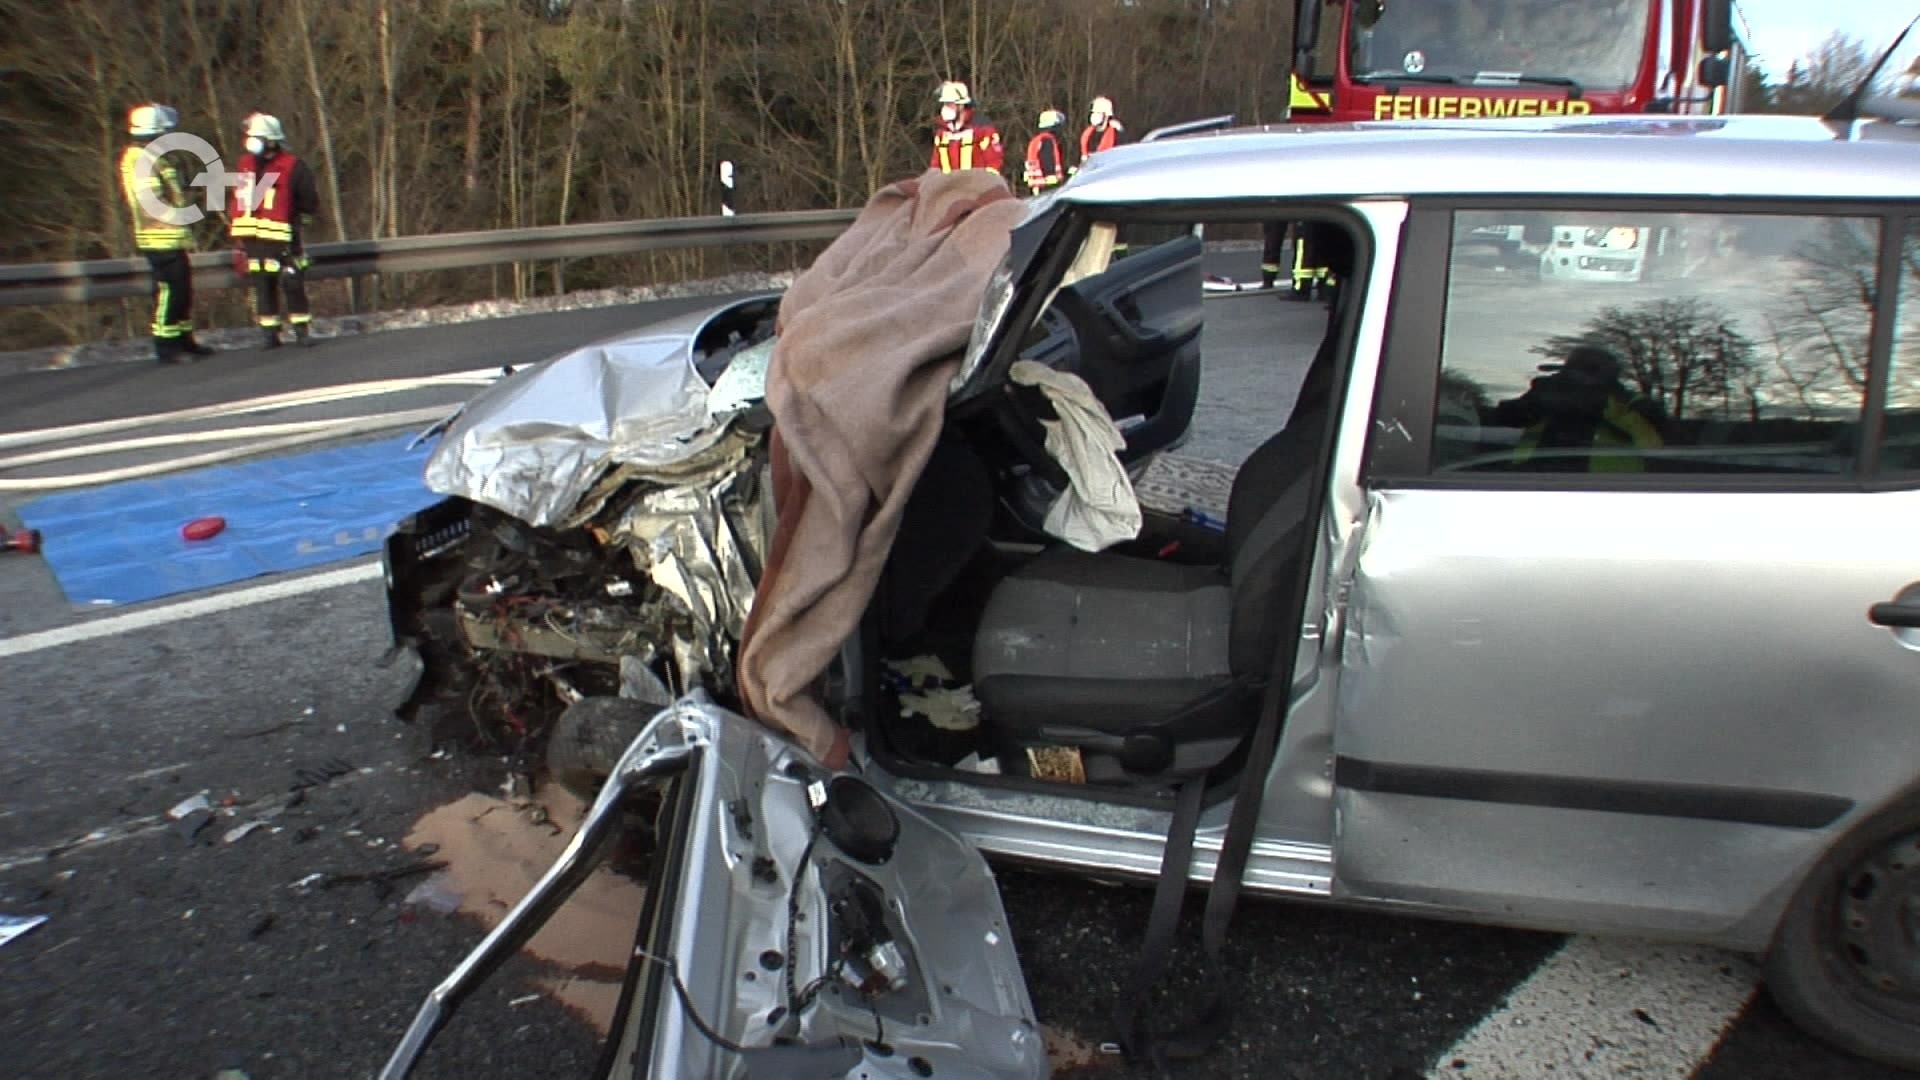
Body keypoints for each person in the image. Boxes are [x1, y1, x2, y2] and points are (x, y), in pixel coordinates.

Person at [118, 103, 213, 364]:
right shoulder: (140, 159)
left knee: (182, 290)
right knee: (169, 291)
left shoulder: (154, 157)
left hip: (171, 236)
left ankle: (184, 340)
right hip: (159, 238)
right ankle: (166, 346)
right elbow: (150, 201)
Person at [1492, 344, 1667, 472]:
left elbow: (1659, 447)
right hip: (1532, 482)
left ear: (1610, 375)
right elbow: (1507, 418)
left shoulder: (1633, 403)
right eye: (1576, 371)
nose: (1582, 380)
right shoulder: (1549, 391)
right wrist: (1542, 399)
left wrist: (1607, 407)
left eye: (1591, 371)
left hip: (1609, 490)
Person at [228, 113, 321, 348]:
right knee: (262, 284)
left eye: (256, 137)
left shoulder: (291, 166)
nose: (251, 142)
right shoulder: (245, 165)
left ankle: (301, 329)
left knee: (291, 281)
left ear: (271, 140)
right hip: (253, 239)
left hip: (283, 237)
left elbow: (308, 199)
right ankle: (269, 332)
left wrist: (301, 219)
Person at [929, 80, 1004, 176]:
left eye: (949, 104)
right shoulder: (942, 134)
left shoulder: (983, 130)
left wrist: (984, 185)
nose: (946, 108)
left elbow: (993, 162)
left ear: (961, 105)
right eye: (945, 104)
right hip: (949, 188)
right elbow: (935, 165)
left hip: (975, 188)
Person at [1022, 109, 1069, 195]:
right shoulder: (1048, 140)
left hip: (1037, 185)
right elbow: (1047, 158)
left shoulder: (1036, 140)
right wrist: (1051, 176)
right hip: (1047, 186)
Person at [1076, 95, 1125, 171]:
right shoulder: (1087, 133)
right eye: (1093, 112)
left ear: (1106, 115)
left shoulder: (1116, 132)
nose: (1095, 115)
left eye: (1098, 112)